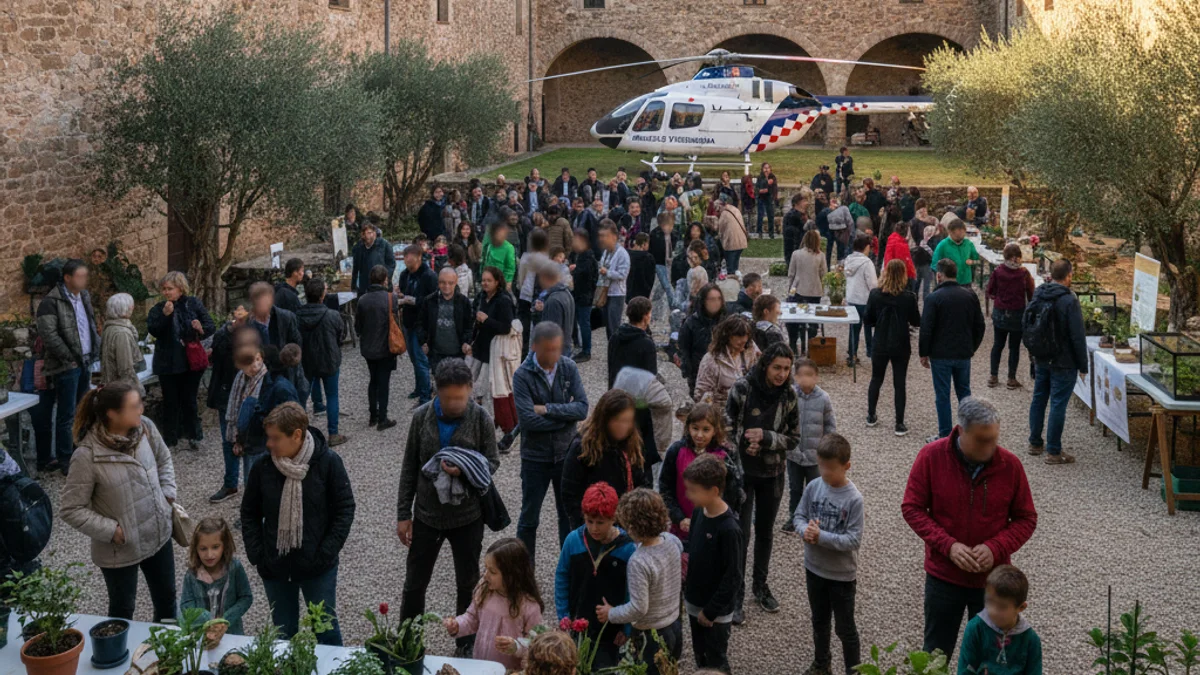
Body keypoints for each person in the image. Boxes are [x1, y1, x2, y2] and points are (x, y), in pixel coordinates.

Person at [901, 397, 1037, 660]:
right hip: (943, 577)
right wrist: (948, 546)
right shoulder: (931, 457)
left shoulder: (1010, 466)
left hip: (992, 583)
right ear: (961, 431)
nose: (990, 447)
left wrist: (995, 547)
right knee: (935, 656)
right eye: (982, 440)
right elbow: (912, 507)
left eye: (994, 439)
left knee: (989, 658)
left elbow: (1026, 518)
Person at [397, 359, 501, 654]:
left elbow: (492, 461)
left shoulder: (480, 418)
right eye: (448, 397)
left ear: (470, 390)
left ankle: (466, 644)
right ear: (437, 393)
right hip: (427, 516)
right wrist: (403, 514)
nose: (455, 403)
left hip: (468, 516)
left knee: (467, 583)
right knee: (415, 583)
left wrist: (465, 471)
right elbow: (409, 468)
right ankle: (408, 641)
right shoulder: (421, 417)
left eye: (461, 396)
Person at [62, 380, 177, 623]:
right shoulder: (86, 456)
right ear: (112, 414)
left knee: (167, 601)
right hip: (120, 549)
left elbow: (164, 458)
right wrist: (112, 530)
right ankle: (119, 658)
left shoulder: (145, 427)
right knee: (123, 611)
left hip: (158, 533)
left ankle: (167, 656)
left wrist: (167, 494)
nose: (141, 410)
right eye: (134, 406)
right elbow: (71, 509)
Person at [242, 403, 354, 645]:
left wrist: (325, 553)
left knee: (325, 631)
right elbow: (249, 512)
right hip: (275, 567)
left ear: (297, 436)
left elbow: (345, 509)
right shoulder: (263, 467)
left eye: (275, 438)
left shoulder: (329, 463)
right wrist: (258, 555)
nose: (268, 444)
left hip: (317, 568)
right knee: (283, 634)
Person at [727, 343, 799, 620]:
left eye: (786, 368)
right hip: (742, 474)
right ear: (765, 365)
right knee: (741, 534)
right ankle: (737, 594)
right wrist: (744, 444)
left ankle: (760, 586)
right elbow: (727, 425)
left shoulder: (789, 395)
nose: (781, 374)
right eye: (776, 367)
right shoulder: (743, 388)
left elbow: (794, 438)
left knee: (766, 532)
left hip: (773, 473)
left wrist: (767, 439)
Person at [513, 323, 588, 558]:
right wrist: (566, 420)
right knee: (529, 519)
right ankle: (524, 574)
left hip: (566, 456)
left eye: (557, 349)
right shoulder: (522, 376)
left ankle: (570, 568)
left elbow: (583, 408)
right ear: (534, 346)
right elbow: (527, 421)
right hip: (535, 458)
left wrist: (546, 409)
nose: (554, 355)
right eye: (548, 350)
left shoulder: (569, 367)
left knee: (568, 515)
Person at [792, 434, 864, 675]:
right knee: (819, 621)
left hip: (841, 577)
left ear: (846, 466)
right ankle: (822, 664)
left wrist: (820, 536)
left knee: (845, 629)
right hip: (814, 568)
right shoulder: (814, 486)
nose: (824, 472)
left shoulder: (854, 499)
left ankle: (853, 671)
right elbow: (799, 517)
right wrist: (805, 532)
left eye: (830, 469)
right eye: (821, 466)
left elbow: (853, 540)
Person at [598, 489, 684, 675]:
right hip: (674, 625)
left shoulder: (639, 561)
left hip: (650, 635)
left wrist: (611, 613)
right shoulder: (672, 540)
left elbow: (638, 608)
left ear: (632, 526)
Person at [554, 483, 635, 669]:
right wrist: (563, 615)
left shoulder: (627, 548)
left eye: (600, 522)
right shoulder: (573, 540)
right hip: (577, 624)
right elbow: (562, 577)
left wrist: (626, 627)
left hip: (610, 630)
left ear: (613, 518)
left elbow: (631, 591)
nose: (594, 528)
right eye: (589, 521)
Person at [682, 454, 743, 673]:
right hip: (694, 602)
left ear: (714, 491)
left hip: (714, 613)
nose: (688, 496)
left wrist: (710, 612)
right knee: (701, 656)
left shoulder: (729, 529)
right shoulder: (699, 511)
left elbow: (733, 576)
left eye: (693, 490)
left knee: (716, 660)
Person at [444, 539, 543, 672]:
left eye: (492, 572)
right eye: (486, 569)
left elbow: (536, 645)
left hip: (509, 671)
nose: (485, 575)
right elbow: (472, 617)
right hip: (481, 664)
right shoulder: (484, 589)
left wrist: (516, 647)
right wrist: (457, 625)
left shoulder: (529, 606)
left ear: (512, 575)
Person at [37, 260, 100, 464]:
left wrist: (95, 347)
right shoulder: (51, 301)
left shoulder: (84, 296)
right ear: (67, 278)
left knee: (83, 410)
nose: (84, 280)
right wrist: (69, 358)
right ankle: (67, 458)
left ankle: (81, 452)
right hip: (67, 364)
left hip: (86, 360)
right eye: (80, 276)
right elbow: (49, 335)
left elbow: (89, 323)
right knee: (67, 414)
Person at [1027, 258, 1088, 465]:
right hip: (1064, 359)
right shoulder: (1069, 300)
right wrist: (1083, 365)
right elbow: (1077, 335)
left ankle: (1035, 442)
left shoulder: (1040, 293)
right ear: (1069, 275)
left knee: (1039, 398)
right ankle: (1053, 451)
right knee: (1058, 404)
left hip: (1042, 355)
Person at [147, 271, 216, 450]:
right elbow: (154, 330)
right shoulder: (159, 308)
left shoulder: (193, 304)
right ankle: (171, 438)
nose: (166, 292)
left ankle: (193, 434)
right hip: (168, 361)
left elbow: (210, 326)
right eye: (164, 289)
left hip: (190, 361)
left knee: (189, 399)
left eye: (170, 289)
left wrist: (200, 329)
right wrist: (165, 316)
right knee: (170, 401)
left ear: (180, 288)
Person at [561, 390, 647, 529]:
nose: (622, 426)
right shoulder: (583, 447)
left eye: (627, 421)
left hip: (625, 524)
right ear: (604, 419)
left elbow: (640, 480)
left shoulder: (631, 443)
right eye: (617, 420)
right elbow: (570, 494)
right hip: (595, 525)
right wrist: (588, 526)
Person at [920, 259, 986, 441]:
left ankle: (945, 434)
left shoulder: (933, 298)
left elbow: (926, 328)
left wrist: (923, 352)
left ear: (939, 276)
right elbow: (979, 325)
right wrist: (972, 346)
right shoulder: (970, 296)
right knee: (964, 393)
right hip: (963, 352)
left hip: (940, 354)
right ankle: (968, 431)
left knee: (942, 395)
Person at [658, 403, 742, 542]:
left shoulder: (726, 455)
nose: (699, 435)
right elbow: (666, 487)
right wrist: (678, 517)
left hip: (714, 525)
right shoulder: (676, 451)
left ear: (715, 430)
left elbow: (732, 494)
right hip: (681, 524)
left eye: (706, 430)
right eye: (695, 428)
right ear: (688, 427)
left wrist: (716, 519)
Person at [864, 260, 922, 436]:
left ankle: (871, 414)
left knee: (876, 378)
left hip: (880, 341)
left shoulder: (875, 295)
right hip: (901, 343)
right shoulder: (908, 297)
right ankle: (899, 422)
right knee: (899, 383)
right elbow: (916, 321)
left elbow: (867, 319)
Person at [958, 566, 1043, 675]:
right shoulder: (975, 628)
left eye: (1002, 607)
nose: (993, 611)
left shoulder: (1031, 640)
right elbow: (964, 670)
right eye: (989, 602)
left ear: (1021, 607)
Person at [783, 358, 836, 533]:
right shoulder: (789, 396)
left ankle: (815, 519)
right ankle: (794, 517)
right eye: (802, 375)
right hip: (794, 454)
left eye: (810, 375)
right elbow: (783, 424)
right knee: (795, 488)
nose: (806, 379)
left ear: (816, 377)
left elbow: (829, 425)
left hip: (815, 456)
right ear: (795, 377)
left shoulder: (824, 398)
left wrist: (826, 448)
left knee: (816, 488)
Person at [180, 517, 253, 636]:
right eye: (203, 549)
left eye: (215, 547)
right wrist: (206, 619)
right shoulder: (192, 575)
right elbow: (185, 605)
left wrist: (224, 620)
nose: (209, 554)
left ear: (224, 546)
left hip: (231, 633)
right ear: (196, 549)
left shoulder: (234, 568)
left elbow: (246, 597)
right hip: (200, 634)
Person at [296, 279, 346, 447]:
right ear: (322, 295)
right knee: (332, 395)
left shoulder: (297, 316)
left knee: (303, 395)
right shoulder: (332, 315)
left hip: (308, 360)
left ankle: (298, 433)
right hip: (329, 359)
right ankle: (333, 433)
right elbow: (341, 335)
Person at [471, 267, 519, 434]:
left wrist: (487, 320)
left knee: (494, 388)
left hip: (497, 352)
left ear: (497, 281)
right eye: (483, 280)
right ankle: (494, 420)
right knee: (480, 387)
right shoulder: (482, 297)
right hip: (482, 348)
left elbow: (506, 327)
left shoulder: (503, 300)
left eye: (488, 280)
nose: (484, 283)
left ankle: (503, 424)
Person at [984, 244, 1035, 390]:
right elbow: (1031, 294)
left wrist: (999, 298)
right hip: (1017, 313)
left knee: (997, 345)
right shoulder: (1024, 273)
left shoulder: (998, 271)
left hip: (1000, 312)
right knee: (1014, 347)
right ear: (1018, 257)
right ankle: (1011, 379)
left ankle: (993, 376)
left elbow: (990, 291)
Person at [355, 265, 400, 430]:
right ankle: (383, 418)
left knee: (373, 380)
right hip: (385, 347)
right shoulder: (390, 298)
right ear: (385, 279)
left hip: (368, 347)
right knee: (384, 382)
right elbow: (395, 322)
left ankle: (372, 415)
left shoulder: (362, 300)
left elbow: (357, 326)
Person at [695, 314, 761, 416]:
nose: (743, 344)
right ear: (728, 336)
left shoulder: (751, 350)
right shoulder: (711, 360)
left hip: (747, 411)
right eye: (739, 340)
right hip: (720, 413)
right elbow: (702, 393)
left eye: (745, 339)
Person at [398, 245, 439, 405]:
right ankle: (419, 387)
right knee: (414, 358)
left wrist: (412, 300)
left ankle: (425, 396)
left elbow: (433, 300)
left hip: (421, 322)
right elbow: (402, 290)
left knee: (421, 360)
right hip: (408, 320)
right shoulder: (405, 275)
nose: (408, 265)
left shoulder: (429, 276)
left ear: (419, 258)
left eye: (411, 262)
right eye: (406, 261)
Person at [418, 267, 475, 376]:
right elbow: (421, 323)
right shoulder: (429, 301)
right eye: (443, 283)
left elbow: (469, 325)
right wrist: (423, 341)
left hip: (458, 352)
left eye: (450, 283)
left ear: (456, 282)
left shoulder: (464, 302)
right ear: (438, 283)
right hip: (436, 353)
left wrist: (467, 342)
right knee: (440, 383)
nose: (446, 286)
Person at [678, 284, 727, 395]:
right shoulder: (691, 323)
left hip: (724, 372)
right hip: (699, 373)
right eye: (712, 299)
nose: (716, 302)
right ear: (704, 301)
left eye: (719, 299)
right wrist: (688, 370)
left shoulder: (726, 321)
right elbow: (684, 348)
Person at [788, 230, 828, 355]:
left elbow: (791, 274)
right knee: (813, 317)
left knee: (793, 317)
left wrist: (790, 290)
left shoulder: (796, 254)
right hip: (815, 291)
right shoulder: (820, 255)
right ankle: (811, 341)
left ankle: (793, 342)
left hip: (798, 289)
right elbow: (824, 274)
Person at [100, 293, 145, 396]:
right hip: (120, 390)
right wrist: (133, 393)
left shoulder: (109, 327)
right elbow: (125, 368)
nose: (132, 308)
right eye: (131, 305)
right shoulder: (122, 333)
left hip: (111, 384)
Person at [843, 233, 877, 367]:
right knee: (869, 327)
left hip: (852, 297)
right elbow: (872, 284)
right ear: (866, 247)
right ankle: (871, 352)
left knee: (854, 329)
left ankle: (852, 354)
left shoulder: (848, 260)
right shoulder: (867, 263)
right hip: (865, 299)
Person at [608, 297, 657, 387]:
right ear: (645, 316)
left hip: (616, 391)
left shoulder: (615, 337)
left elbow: (611, 369)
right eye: (650, 313)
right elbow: (650, 376)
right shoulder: (647, 344)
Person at [597, 221, 631, 340]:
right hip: (606, 291)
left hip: (617, 293)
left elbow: (623, 274)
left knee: (614, 325)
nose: (602, 239)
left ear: (613, 236)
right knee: (608, 325)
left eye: (604, 236)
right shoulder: (606, 252)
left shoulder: (622, 254)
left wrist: (607, 273)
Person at [569, 229, 598, 362]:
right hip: (581, 294)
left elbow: (586, 275)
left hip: (584, 295)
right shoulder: (581, 254)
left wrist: (574, 271)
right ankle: (581, 346)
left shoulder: (587, 255)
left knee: (584, 323)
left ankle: (586, 351)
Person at [933, 219, 980, 287]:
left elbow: (977, 260)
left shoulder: (969, 244)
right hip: (949, 283)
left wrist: (972, 262)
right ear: (950, 232)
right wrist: (942, 280)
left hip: (966, 281)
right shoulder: (942, 245)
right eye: (958, 235)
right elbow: (935, 265)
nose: (961, 237)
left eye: (963, 234)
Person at [350, 224, 395, 295]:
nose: (367, 236)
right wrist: (353, 286)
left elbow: (391, 264)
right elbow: (355, 268)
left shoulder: (384, 245)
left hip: (382, 285)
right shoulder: (358, 248)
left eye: (369, 233)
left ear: (374, 233)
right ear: (362, 235)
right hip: (365, 287)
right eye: (364, 234)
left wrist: (386, 278)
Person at [649, 212, 678, 311]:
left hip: (669, 261)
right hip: (659, 262)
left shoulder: (673, 234)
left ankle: (654, 301)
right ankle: (674, 306)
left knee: (665, 283)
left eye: (671, 225)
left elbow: (674, 246)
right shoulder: (654, 234)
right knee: (667, 285)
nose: (669, 228)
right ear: (661, 225)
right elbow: (652, 250)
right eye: (667, 225)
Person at [716, 193, 749, 276]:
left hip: (731, 244)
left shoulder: (724, 213)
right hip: (741, 241)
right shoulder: (735, 209)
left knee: (730, 267)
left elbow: (720, 230)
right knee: (735, 264)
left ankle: (732, 282)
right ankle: (736, 279)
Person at [482, 220, 518, 286]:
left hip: (500, 283)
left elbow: (510, 268)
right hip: (487, 280)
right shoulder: (489, 244)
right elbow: (484, 260)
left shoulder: (509, 247)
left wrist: (508, 282)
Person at [626, 233, 656, 302]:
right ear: (644, 244)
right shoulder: (648, 257)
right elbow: (651, 277)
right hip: (643, 292)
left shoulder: (627, 254)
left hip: (628, 291)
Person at [783, 193, 809, 268]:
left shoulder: (803, 215)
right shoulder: (792, 215)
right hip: (794, 251)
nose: (807, 203)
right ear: (797, 203)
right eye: (804, 201)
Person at [755, 162, 778, 239]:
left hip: (769, 197)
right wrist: (765, 184)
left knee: (770, 215)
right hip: (761, 198)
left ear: (770, 169)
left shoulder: (773, 177)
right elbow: (758, 187)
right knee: (760, 215)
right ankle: (759, 233)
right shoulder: (760, 177)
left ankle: (771, 233)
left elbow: (774, 188)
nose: (766, 170)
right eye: (765, 168)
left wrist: (774, 196)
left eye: (768, 168)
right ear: (762, 169)